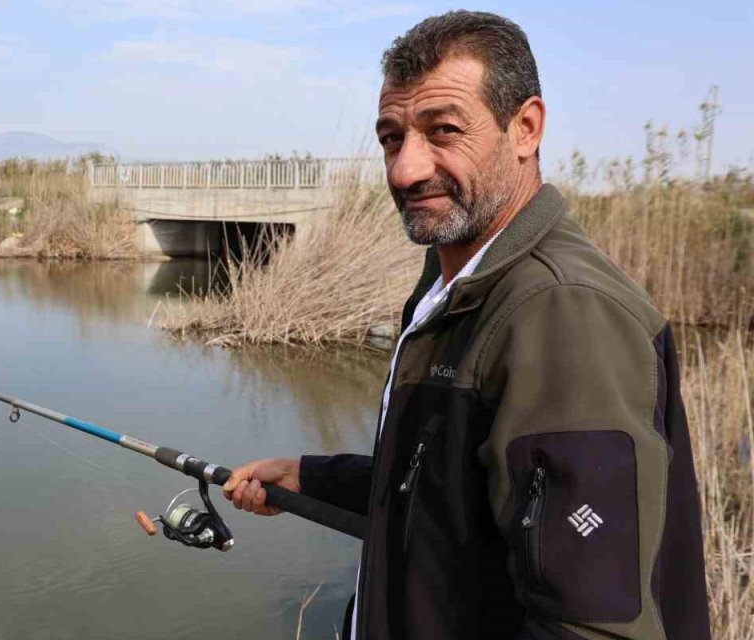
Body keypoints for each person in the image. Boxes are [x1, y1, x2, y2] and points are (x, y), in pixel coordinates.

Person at [222, 11, 711, 640]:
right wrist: (312, 478)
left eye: (444, 131)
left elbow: (592, 620)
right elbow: (452, 491)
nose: (405, 170)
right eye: (392, 138)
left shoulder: (561, 310)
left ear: (525, 128)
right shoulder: (451, 285)